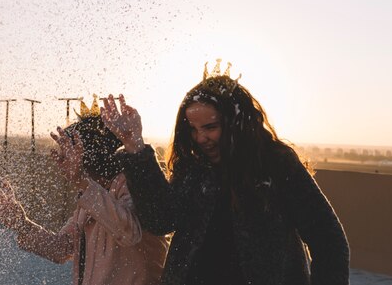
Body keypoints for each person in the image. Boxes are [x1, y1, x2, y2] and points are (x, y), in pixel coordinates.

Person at [101, 60, 350, 285]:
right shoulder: (193, 167)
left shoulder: (276, 164)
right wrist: (135, 148)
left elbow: (328, 240)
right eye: (193, 129)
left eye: (211, 127)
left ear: (236, 123)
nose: (201, 138)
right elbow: (162, 221)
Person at [0, 96, 168, 285]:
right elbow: (62, 249)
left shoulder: (135, 186)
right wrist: (21, 224)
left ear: (90, 155)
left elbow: (129, 233)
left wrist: (82, 182)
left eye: (68, 154)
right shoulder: (90, 196)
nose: (62, 165)